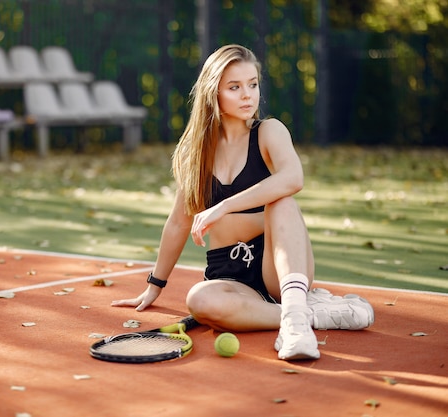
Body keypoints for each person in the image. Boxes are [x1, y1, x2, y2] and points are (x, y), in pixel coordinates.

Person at [111, 44, 374, 361]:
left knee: (282, 202)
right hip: (228, 273)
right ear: (214, 93)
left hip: (277, 267)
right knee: (200, 301)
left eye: (252, 84)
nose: (248, 95)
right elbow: (179, 222)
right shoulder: (195, 153)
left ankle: (295, 322)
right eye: (235, 87)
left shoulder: (269, 131)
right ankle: (309, 313)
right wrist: (155, 286)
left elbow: (293, 178)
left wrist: (224, 206)